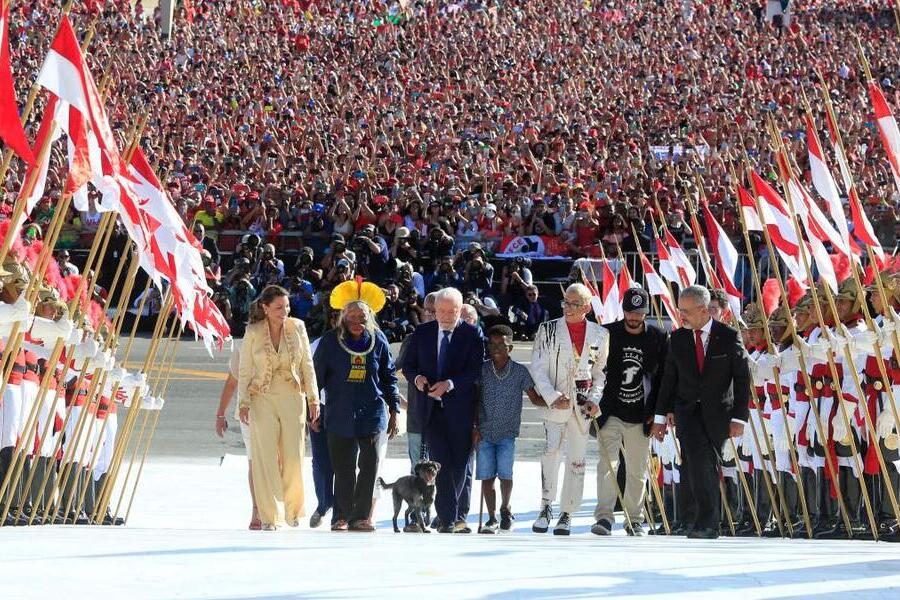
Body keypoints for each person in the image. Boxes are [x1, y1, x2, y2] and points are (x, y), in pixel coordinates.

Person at [651, 285, 750, 540]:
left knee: (703, 465)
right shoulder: (679, 338)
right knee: (697, 462)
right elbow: (668, 379)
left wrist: (740, 418)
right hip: (687, 412)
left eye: (686, 311)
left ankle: (698, 519)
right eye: (679, 310)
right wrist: (661, 417)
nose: (681, 315)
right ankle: (704, 522)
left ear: (704, 310)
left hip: (719, 414)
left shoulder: (728, 336)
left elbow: (741, 378)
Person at [313, 280, 400, 532]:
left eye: (362, 317)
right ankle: (340, 516)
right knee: (342, 467)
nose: (356, 322)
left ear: (369, 317)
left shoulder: (379, 340)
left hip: (371, 411)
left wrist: (394, 409)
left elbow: (388, 376)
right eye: (351, 316)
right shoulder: (330, 342)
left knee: (370, 464)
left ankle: (361, 516)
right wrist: (313, 410)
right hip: (339, 412)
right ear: (342, 317)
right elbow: (316, 379)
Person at [238, 285, 320, 531]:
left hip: (293, 396)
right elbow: (244, 369)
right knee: (264, 458)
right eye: (278, 307)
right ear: (265, 308)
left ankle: (293, 511)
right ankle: (268, 516)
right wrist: (242, 402)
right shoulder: (252, 331)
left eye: (286, 306)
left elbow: (307, 363)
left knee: (293, 455)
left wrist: (313, 398)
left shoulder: (298, 327)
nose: (284, 311)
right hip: (261, 397)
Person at [402, 287, 484, 533]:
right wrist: (417, 379)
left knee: (459, 463)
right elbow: (409, 365)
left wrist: (449, 384)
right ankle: (448, 519)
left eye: (453, 311)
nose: (447, 316)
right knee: (441, 463)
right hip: (430, 409)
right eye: (442, 311)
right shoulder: (422, 332)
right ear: (434, 311)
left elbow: (475, 371)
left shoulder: (472, 335)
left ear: (461, 310)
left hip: (460, 409)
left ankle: (452, 514)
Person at [530, 283, 609, 535]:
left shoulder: (600, 334)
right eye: (566, 302)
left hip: (583, 408)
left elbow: (600, 373)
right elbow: (538, 368)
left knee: (577, 459)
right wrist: (552, 397)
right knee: (550, 453)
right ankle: (545, 505)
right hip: (556, 404)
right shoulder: (548, 329)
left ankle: (567, 512)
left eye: (575, 304)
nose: (569, 308)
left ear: (587, 307)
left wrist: (594, 399)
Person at [592, 288, 669, 537]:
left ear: (645, 313)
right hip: (610, 410)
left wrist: (659, 413)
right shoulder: (607, 333)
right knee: (607, 465)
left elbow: (664, 379)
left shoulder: (658, 336)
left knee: (638, 470)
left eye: (638, 313)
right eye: (629, 312)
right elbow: (597, 369)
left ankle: (633, 519)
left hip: (641, 414)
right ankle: (604, 517)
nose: (633, 317)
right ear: (623, 310)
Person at [474, 325, 541, 533]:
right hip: (484, 431)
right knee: (486, 476)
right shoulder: (482, 369)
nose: (496, 348)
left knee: (505, 475)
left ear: (510, 347)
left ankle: (505, 508)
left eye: (501, 344)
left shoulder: (520, 371)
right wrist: (474, 426)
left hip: (507, 432)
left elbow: (535, 397)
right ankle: (491, 517)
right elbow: (474, 399)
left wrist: (557, 400)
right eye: (492, 344)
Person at [214, 344, 259, 530]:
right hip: (248, 412)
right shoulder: (243, 345)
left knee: (277, 461)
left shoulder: (287, 335)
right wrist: (220, 414)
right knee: (254, 462)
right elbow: (232, 381)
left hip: (278, 410)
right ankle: (257, 510)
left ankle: (273, 507)